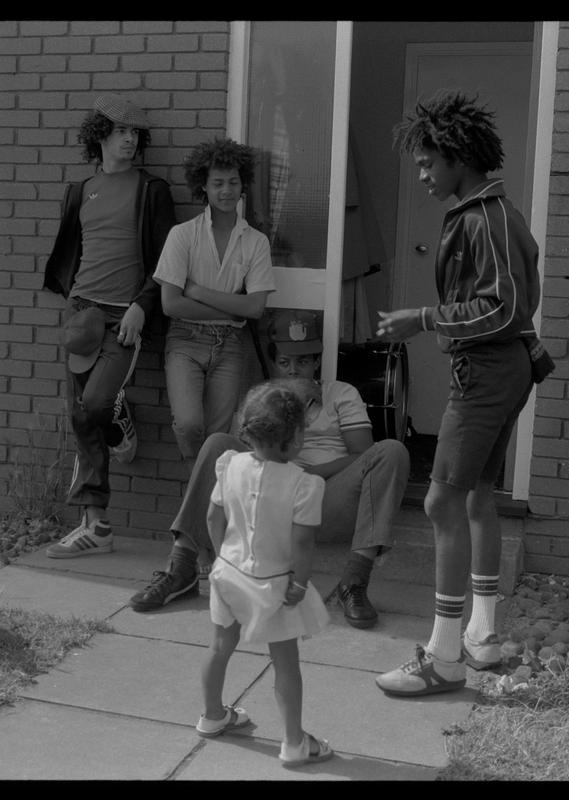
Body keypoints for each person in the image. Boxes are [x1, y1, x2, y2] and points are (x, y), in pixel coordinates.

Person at [373, 90, 551, 697]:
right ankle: (481, 636)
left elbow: (504, 308)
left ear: (458, 156)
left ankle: (444, 657)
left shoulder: (486, 218)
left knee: (439, 503)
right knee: (477, 497)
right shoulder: (488, 212)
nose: (422, 174)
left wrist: (422, 318)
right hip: (502, 370)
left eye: (428, 163)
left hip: (487, 373)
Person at [129, 308, 412, 630]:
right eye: (285, 362)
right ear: (274, 363)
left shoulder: (342, 394)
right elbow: (241, 462)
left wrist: (311, 476)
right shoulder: (261, 398)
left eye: (303, 361)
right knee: (218, 443)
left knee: (391, 451)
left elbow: (363, 454)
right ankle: (181, 567)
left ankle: (354, 582)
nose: (294, 370)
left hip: (327, 498)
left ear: (317, 361)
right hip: (268, 501)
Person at [42, 93, 176, 559]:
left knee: (92, 404)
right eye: (121, 132)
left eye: (136, 134)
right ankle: (96, 526)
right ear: (99, 135)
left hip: (126, 318)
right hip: (84, 315)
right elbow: (73, 250)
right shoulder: (81, 190)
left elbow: (165, 259)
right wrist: (72, 302)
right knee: (79, 414)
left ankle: (116, 409)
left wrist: (143, 305)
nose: (130, 140)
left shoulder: (151, 190)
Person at [198, 381, 334, 768]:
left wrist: (221, 557)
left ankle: (212, 716)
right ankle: (294, 742)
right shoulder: (305, 485)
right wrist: (300, 583)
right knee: (285, 663)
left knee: (219, 647)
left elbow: (213, 517)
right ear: (294, 439)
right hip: (274, 586)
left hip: (229, 574)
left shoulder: (230, 464)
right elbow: (303, 545)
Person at [154, 137, 276, 461]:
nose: (226, 191)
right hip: (184, 339)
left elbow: (255, 307)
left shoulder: (256, 242)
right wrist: (230, 307)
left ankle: (206, 498)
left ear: (243, 184)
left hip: (230, 345)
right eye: (218, 183)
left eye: (233, 182)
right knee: (190, 424)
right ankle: (202, 485)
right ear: (203, 187)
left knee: (220, 438)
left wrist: (196, 291)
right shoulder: (182, 236)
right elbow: (170, 304)